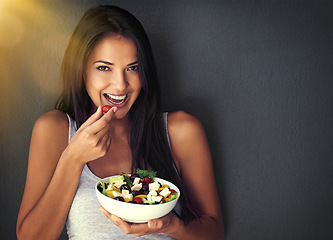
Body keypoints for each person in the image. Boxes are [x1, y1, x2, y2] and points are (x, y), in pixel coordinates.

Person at [16, 5, 224, 240]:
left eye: (132, 68)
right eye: (104, 68)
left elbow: (214, 233)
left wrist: (170, 225)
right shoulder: (55, 130)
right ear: (81, 70)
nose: (120, 85)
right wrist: (73, 157)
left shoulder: (181, 131)